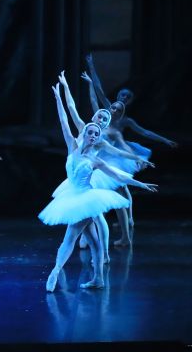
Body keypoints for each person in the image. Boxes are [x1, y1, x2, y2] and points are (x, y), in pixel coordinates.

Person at [41, 77, 156, 292]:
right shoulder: (73, 144)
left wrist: (140, 183)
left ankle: (56, 271)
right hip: (72, 192)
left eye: (96, 133)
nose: (93, 134)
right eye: (91, 132)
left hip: (86, 196)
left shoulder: (97, 157)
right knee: (92, 240)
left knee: (72, 235)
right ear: (85, 131)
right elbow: (65, 118)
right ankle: (98, 278)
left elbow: (119, 173)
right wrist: (60, 94)